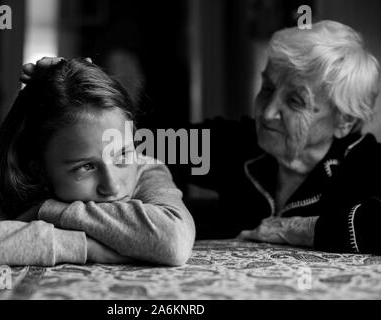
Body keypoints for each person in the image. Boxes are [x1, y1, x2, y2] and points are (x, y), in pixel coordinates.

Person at [20, 20, 381, 255]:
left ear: (344, 121)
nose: (268, 111)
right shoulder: (237, 145)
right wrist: (71, 91)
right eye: (267, 88)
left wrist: (300, 229)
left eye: (295, 101)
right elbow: (126, 145)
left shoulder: (368, 164)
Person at [0, 58, 196, 272]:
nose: (112, 185)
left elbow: (173, 241)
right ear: (38, 168)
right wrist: (81, 246)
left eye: (122, 155)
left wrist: (48, 210)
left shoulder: (144, 169)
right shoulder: (18, 189)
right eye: (86, 167)